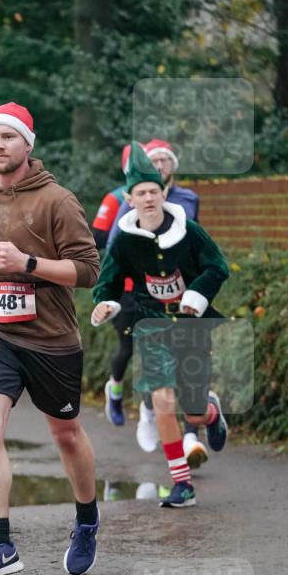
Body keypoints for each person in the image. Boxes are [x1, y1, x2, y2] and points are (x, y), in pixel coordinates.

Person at [0, 102, 101, 575]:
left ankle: (86, 520)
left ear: (27, 144)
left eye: (8, 137)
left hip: (51, 337)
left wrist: (28, 265)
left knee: (65, 433)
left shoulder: (57, 200)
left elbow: (87, 271)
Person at [91, 142, 229, 508]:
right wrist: (104, 302)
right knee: (162, 402)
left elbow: (219, 268)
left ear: (164, 192)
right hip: (151, 325)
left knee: (193, 409)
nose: (149, 198)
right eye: (141, 193)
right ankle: (182, 484)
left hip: (191, 324)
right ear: (129, 198)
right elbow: (108, 282)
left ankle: (211, 414)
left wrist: (196, 295)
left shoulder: (190, 231)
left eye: (154, 191)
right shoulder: (124, 241)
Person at [107, 139, 207, 467]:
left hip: (184, 294)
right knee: (136, 355)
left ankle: (192, 435)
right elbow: (115, 247)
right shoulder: (132, 201)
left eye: (166, 159)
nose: (161, 164)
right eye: (155, 160)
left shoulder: (188, 200)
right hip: (139, 295)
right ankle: (146, 410)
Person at [90, 144, 134, 428]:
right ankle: (115, 390)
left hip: (163, 288)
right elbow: (97, 237)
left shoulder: (175, 200)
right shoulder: (116, 198)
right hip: (126, 287)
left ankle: (157, 415)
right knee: (128, 346)